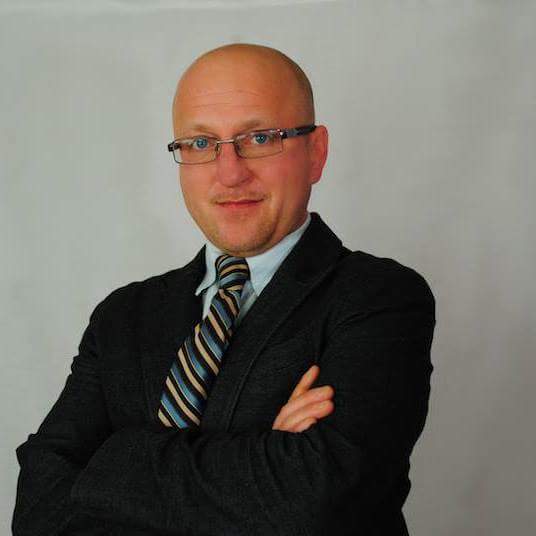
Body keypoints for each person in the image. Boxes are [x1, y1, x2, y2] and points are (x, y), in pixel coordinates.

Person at [12, 43, 436, 535]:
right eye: (200, 143)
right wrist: (265, 456)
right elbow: (38, 507)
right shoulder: (122, 317)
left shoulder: (379, 299)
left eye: (260, 137)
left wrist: (113, 457)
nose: (230, 172)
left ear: (316, 153)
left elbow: (319, 501)